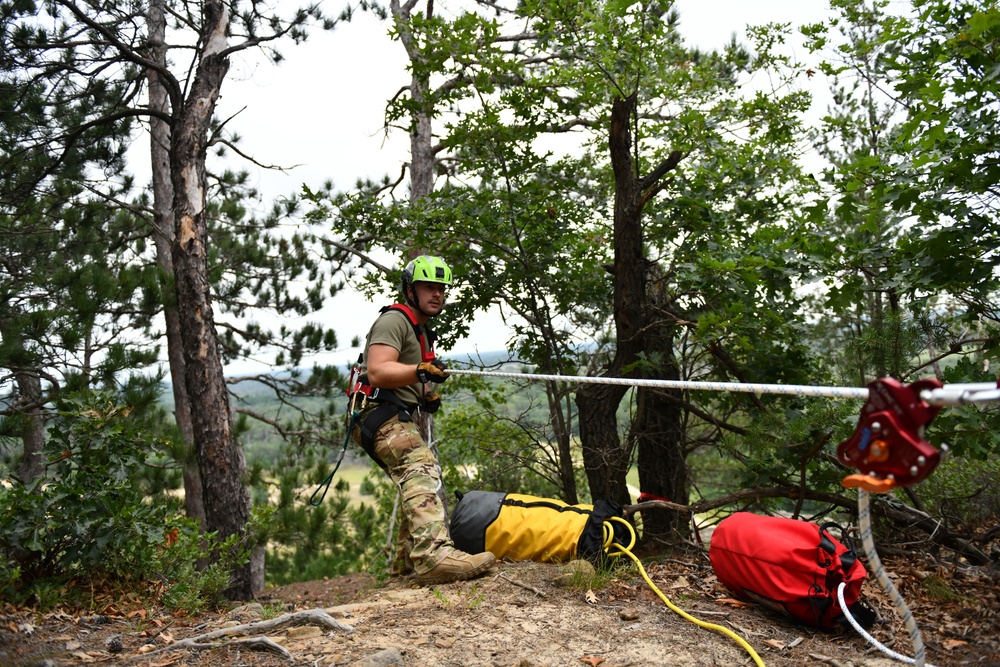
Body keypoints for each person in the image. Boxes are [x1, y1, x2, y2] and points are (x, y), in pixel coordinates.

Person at [349, 255, 497, 584]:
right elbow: (377, 369)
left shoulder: (420, 331)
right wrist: (417, 372)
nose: (437, 294)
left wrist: (425, 390)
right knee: (420, 466)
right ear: (410, 291)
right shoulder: (395, 321)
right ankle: (434, 556)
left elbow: (411, 371)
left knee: (413, 483)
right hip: (378, 411)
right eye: (429, 287)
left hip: (390, 413)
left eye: (441, 289)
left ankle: (403, 573)